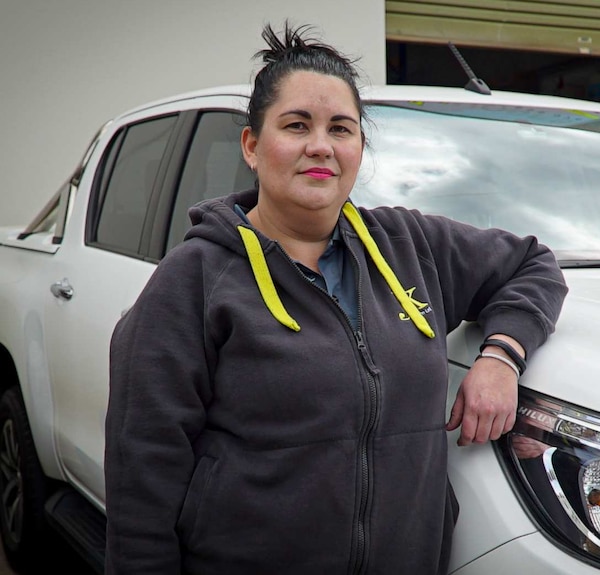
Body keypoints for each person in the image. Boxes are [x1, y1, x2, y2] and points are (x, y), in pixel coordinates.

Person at [104, 20, 567, 575]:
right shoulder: (194, 279)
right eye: (297, 125)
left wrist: (501, 356)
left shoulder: (410, 245)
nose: (320, 146)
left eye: (341, 128)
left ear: (359, 147)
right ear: (252, 146)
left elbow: (532, 263)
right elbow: (143, 479)